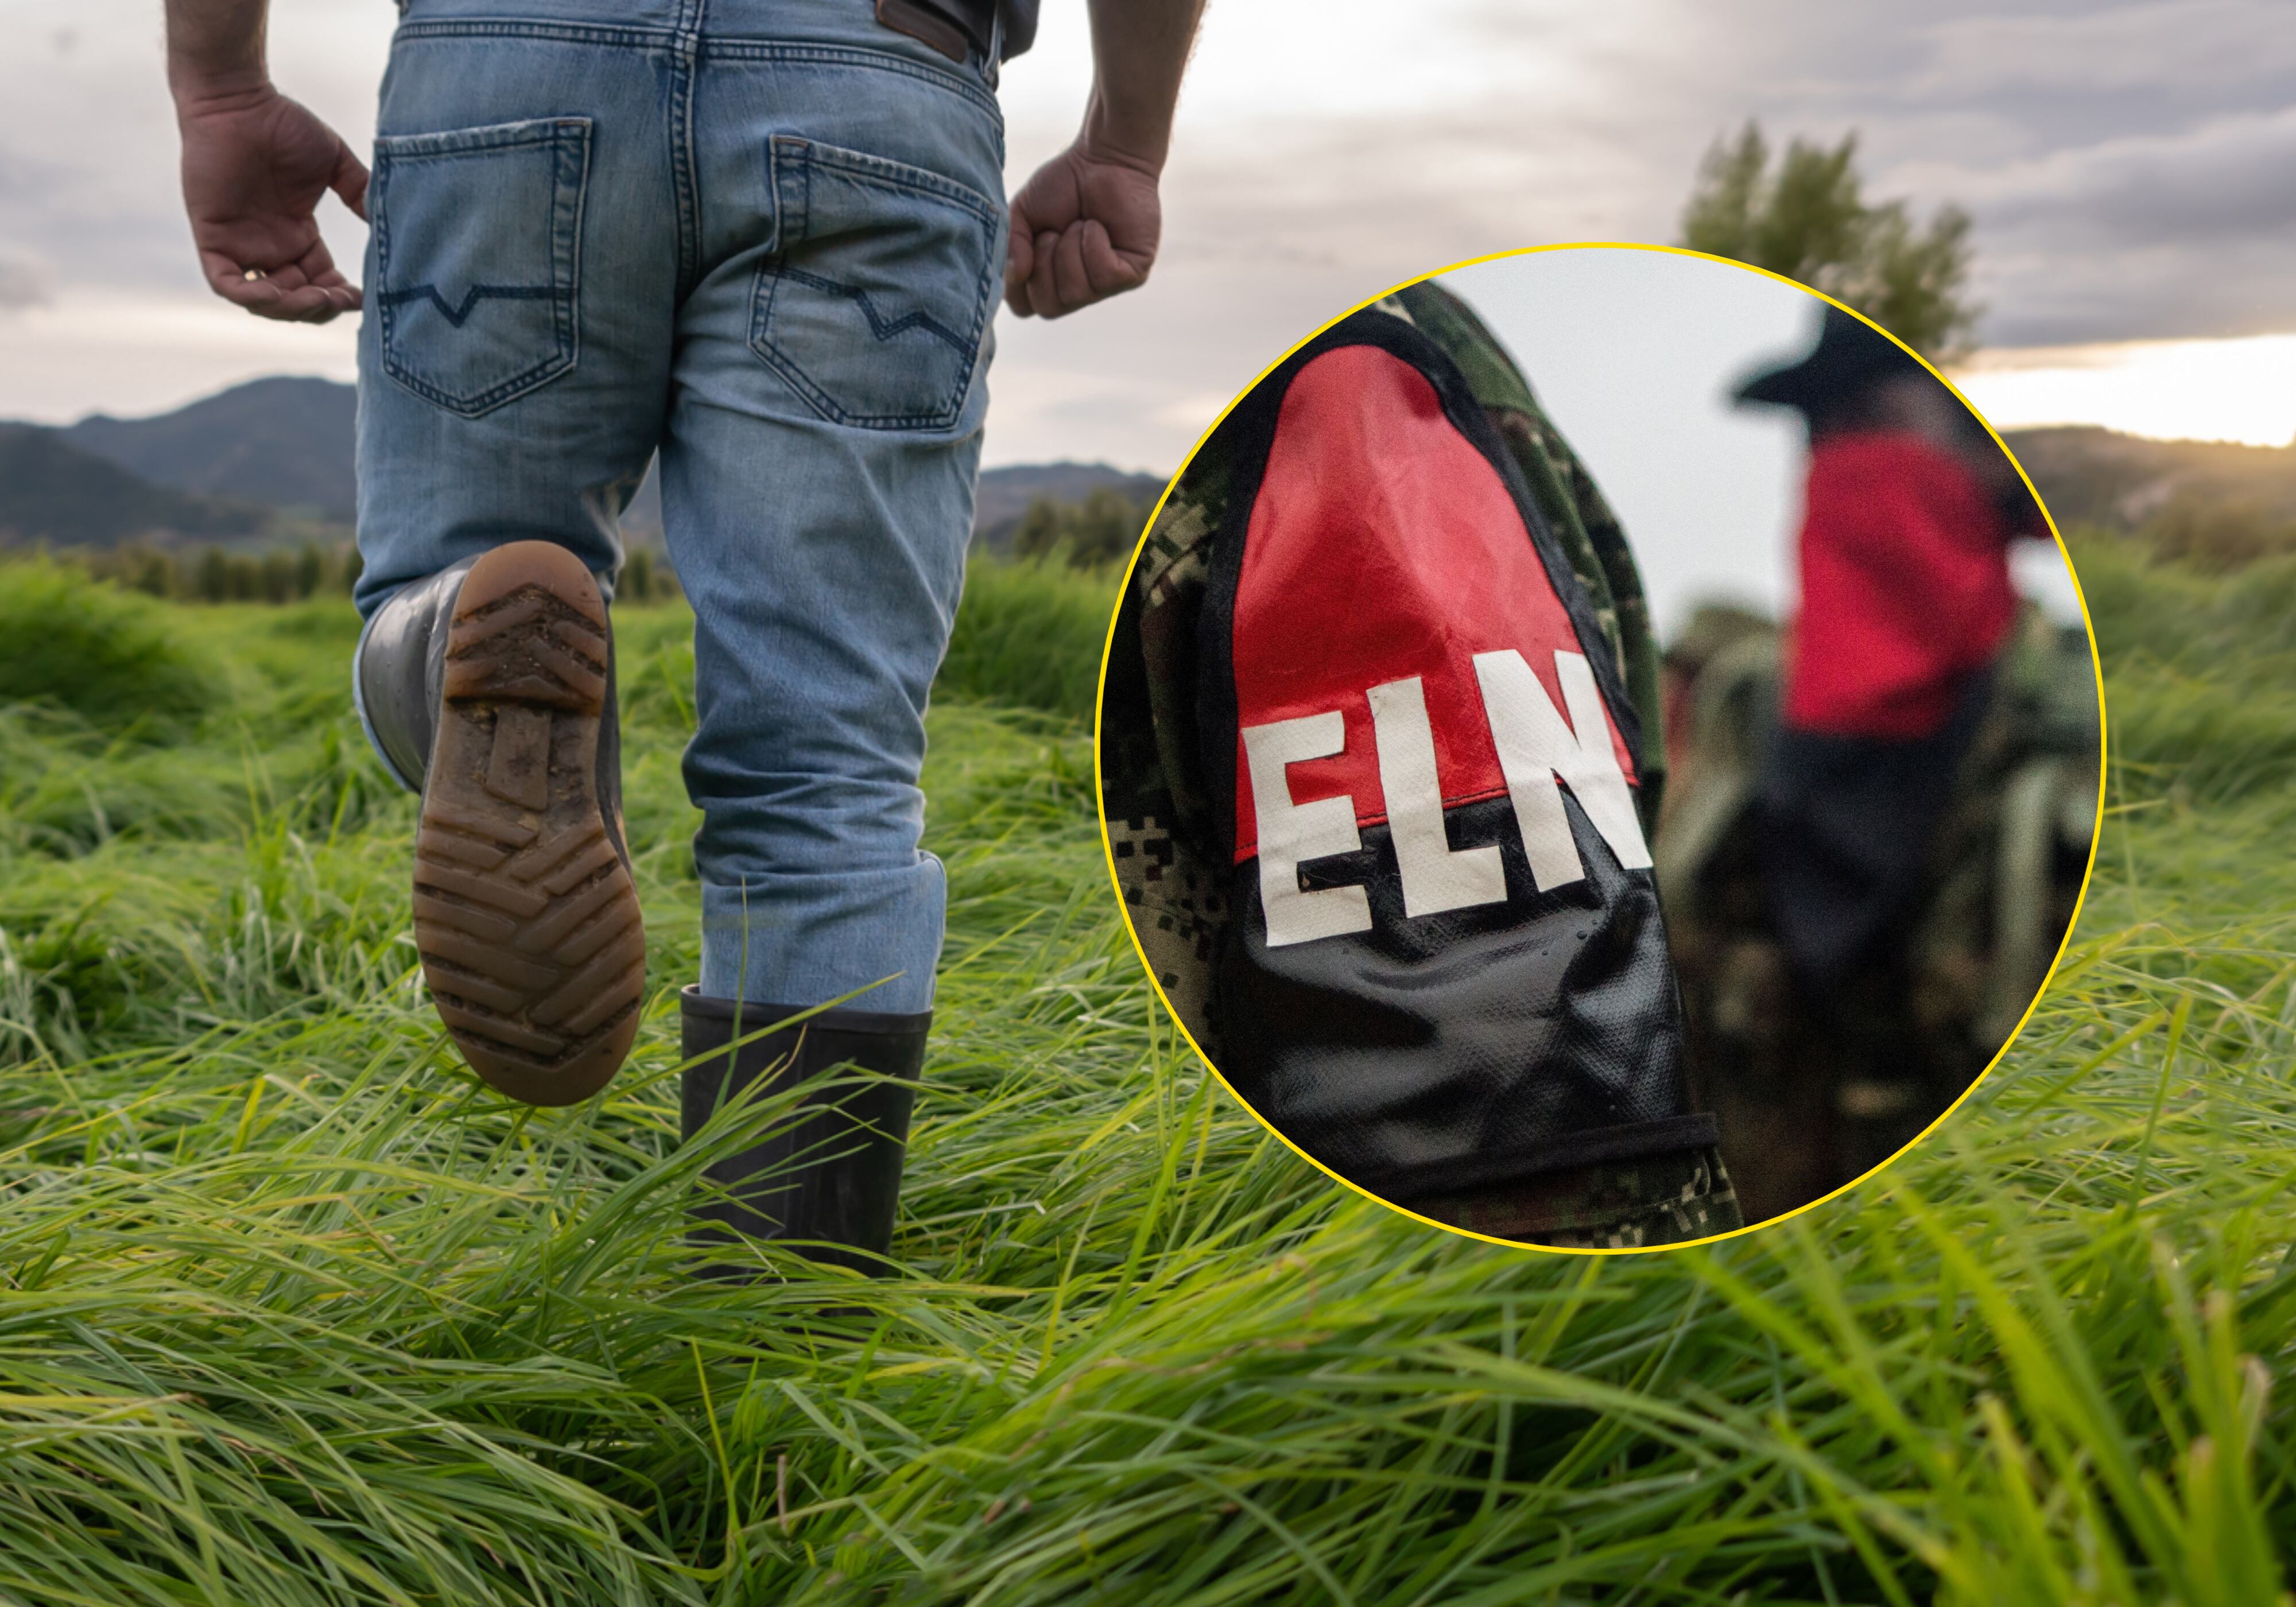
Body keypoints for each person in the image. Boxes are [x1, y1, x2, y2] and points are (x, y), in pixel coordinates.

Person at [164, 0, 1206, 1272]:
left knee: (445, 572)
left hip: (509, 57)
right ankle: (778, 1342)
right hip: (885, 71)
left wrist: (220, 88)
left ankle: (450, 638)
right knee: (825, 773)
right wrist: (1122, 139)